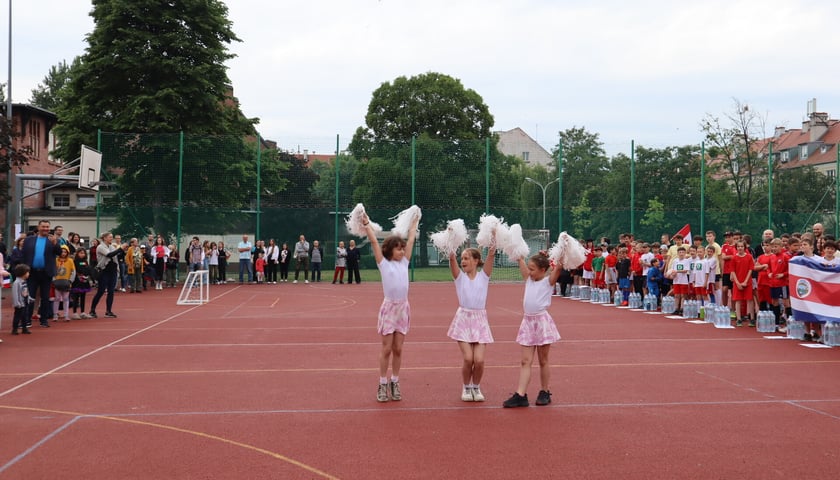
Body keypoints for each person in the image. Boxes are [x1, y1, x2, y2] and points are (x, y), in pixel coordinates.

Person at [363, 211, 420, 403]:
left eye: (402, 249)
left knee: (398, 348)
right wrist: (366, 225)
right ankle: (382, 383)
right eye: (398, 249)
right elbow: (373, 242)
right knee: (386, 348)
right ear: (389, 250)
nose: (402, 251)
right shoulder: (383, 264)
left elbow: (411, 240)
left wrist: (414, 223)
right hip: (389, 309)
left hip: (403, 309)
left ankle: (395, 381)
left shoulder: (404, 262)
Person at [502, 252, 563, 408]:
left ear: (543, 270)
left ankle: (544, 391)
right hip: (528, 322)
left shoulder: (548, 282)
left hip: (541, 322)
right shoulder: (528, 280)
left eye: (533, 269)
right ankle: (521, 395)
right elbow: (521, 260)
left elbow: (558, 267)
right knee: (525, 361)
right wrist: (519, 255)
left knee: (543, 360)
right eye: (529, 268)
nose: (529, 272)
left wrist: (561, 252)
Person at [447, 243, 496, 402]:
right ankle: (466, 387)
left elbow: (491, 255)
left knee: (479, 360)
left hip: (480, 320)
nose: (463, 261)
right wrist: (450, 244)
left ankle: (476, 387)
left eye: (467, 258)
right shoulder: (460, 278)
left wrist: (493, 239)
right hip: (463, 320)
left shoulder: (484, 276)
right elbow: (452, 259)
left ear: (476, 261)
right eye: (462, 259)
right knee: (468, 358)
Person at [23, 220, 63, 327]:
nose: (45, 229)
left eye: (47, 227)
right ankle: (27, 320)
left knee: (45, 297)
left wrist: (55, 244)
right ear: (38, 227)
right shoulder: (29, 240)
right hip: (32, 273)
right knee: (30, 297)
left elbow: (59, 253)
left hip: (46, 273)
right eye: (43, 226)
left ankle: (44, 320)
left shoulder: (52, 240)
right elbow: (24, 254)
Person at [89, 232, 121, 318]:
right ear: (104, 238)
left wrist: (122, 251)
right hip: (104, 271)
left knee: (111, 291)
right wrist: (120, 249)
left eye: (112, 237)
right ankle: (92, 310)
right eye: (110, 237)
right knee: (101, 291)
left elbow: (117, 256)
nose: (112, 239)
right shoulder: (100, 247)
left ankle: (108, 311)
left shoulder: (112, 247)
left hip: (113, 271)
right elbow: (109, 254)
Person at [730, 241, 755, 327]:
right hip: (737, 282)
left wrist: (745, 281)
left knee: (750, 300)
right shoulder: (734, 258)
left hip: (747, 282)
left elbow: (750, 270)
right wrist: (737, 283)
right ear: (736, 248)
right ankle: (739, 319)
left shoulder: (749, 257)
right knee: (738, 300)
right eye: (738, 247)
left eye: (742, 246)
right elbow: (732, 271)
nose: (740, 248)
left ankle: (752, 319)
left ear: (745, 248)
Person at [52, 245, 76, 322]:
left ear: (67, 252)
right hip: (57, 282)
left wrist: (70, 280)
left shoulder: (70, 261)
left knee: (66, 299)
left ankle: (66, 315)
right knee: (57, 298)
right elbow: (53, 270)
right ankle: (55, 314)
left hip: (66, 282)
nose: (63, 253)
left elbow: (73, 271)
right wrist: (54, 280)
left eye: (65, 252)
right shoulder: (56, 260)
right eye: (62, 251)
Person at [11, 264, 34, 335]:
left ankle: (24, 328)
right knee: (17, 316)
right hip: (19, 303)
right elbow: (15, 293)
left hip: (25, 302)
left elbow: (26, 291)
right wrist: (16, 302)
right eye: (27, 272)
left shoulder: (24, 281)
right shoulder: (16, 283)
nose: (28, 274)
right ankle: (14, 329)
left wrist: (29, 298)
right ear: (23, 273)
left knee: (25, 316)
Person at [71, 248, 94, 319]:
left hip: (84, 281)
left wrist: (90, 278)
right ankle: (74, 313)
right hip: (77, 281)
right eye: (80, 253)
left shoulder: (85, 262)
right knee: (76, 297)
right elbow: (77, 269)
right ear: (77, 253)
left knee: (83, 297)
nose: (82, 254)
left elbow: (88, 270)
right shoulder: (75, 261)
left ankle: (82, 312)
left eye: (83, 253)